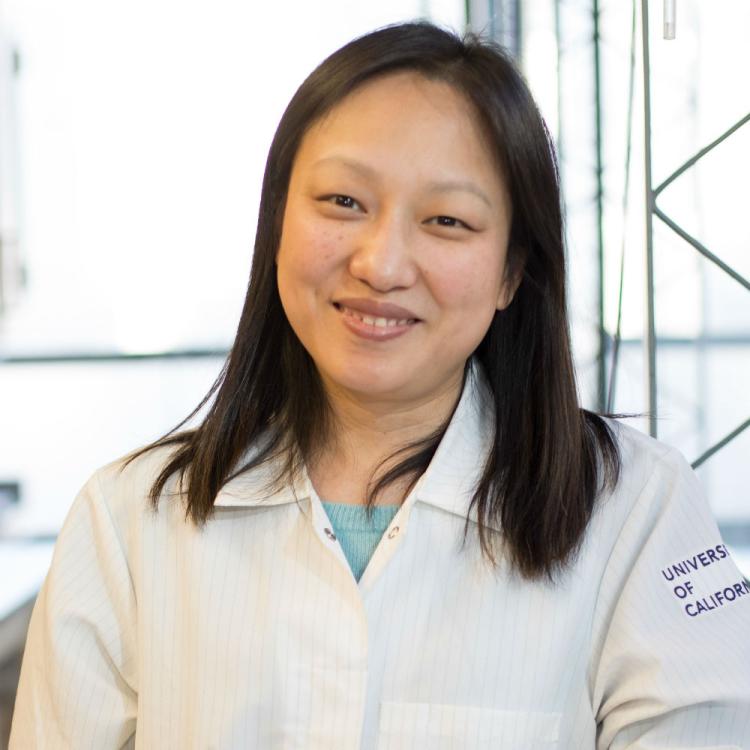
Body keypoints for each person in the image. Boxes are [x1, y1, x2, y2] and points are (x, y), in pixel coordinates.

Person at [10, 20, 750, 750]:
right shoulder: (126, 522)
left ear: (512, 272)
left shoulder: (637, 510)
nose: (381, 264)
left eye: (447, 220)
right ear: (276, 225)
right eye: (344, 202)